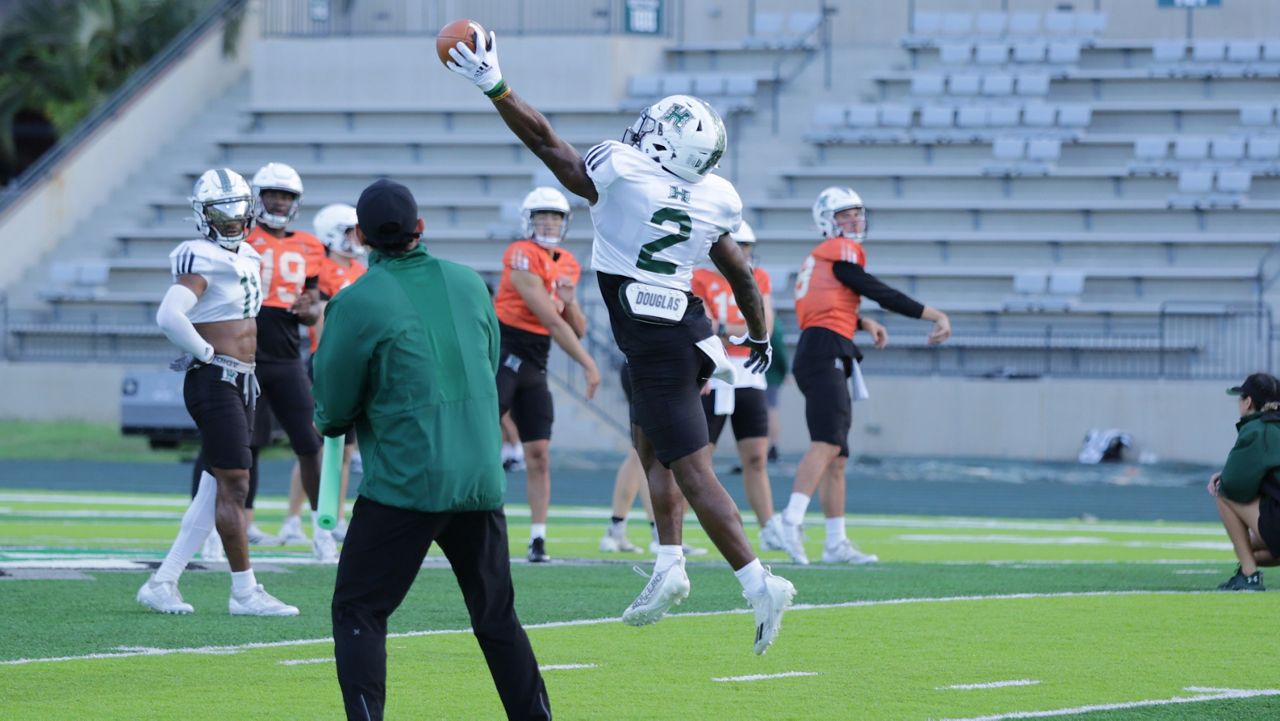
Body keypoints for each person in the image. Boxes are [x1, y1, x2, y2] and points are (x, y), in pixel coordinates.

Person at [447, 32, 795, 654]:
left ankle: (758, 582)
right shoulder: (713, 198)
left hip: (661, 344)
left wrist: (494, 86)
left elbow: (547, 143)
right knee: (651, 450)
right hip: (679, 333)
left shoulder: (625, 174)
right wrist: (761, 334)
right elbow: (739, 272)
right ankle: (669, 564)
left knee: (691, 469)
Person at [315, 179, 550, 720]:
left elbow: (331, 406)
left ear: (361, 236)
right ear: (421, 228)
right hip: (479, 478)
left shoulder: (355, 302)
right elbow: (488, 362)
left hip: (406, 483)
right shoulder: (469, 283)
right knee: (497, 618)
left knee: (359, 609)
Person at [136, 168, 298, 616]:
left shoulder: (248, 254)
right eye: (221, 215)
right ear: (202, 216)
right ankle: (245, 592)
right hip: (217, 379)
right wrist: (206, 352)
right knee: (235, 483)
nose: (231, 222)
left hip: (241, 380)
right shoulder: (199, 255)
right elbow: (170, 316)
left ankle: (163, 581)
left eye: (237, 213)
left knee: (213, 489)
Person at [777, 186, 951, 565]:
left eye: (857, 212)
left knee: (838, 454)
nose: (854, 220)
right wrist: (933, 314)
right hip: (825, 350)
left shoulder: (820, 261)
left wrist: (860, 321)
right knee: (825, 442)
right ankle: (790, 520)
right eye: (845, 214)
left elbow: (824, 303)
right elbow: (877, 291)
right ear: (828, 222)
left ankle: (835, 541)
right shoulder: (839, 253)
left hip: (825, 346)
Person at [492, 186, 601, 562]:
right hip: (504, 353)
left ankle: (537, 537)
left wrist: (571, 302)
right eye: (541, 216)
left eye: (555, 217)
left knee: (538, 453)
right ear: (528, 221)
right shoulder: (520, 254)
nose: (549, 223)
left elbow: (577, 326)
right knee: (484, 447)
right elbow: (551, 321)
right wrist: (588, 364)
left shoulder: (568, 262)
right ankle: (471, 523)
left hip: (536, 363)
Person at [243, 162, 337, 562]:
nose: (279, 202)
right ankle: (235, 524)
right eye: (272, 194)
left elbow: (315, 306)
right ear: (258, 196)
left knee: (310, 442)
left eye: (286, 196)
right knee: (244, 445)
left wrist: (310, 306)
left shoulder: (311, 246)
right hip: (244, 353)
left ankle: (322, 529)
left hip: (284, 355)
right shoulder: (243, 237)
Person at [690, 220, 785, 552]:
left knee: (757, 456)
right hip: (716, 371)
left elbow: (766, 326)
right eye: (737, 247)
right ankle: (676, 529)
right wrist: (736, 326)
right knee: (700, 459)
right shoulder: (700, 277)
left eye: (745, 248)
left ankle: (769, 526)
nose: (741, 254)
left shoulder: (759, 278)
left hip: (750, 371)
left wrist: (728, 327)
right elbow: (705, 326)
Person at [278, 203, 367, 546]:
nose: (355, 238)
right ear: (331, 233)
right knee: (313, 445)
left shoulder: (360, 270)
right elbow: (320, 316)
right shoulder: (323, 268)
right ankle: (292, 518)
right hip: (325, 360)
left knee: (344, 449)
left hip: (354, 364)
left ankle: (337, 515)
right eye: (348, 231)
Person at [599, 362, 707, 557]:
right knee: (649, 450)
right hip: (652, 369)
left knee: (638, 451)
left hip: (642, 366)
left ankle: (616, 529)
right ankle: (659, 531)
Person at [1208, 372, 1280, 592]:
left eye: (1241, 398)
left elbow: (1234, 486)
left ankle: (1249, 575)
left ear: (1248, 402)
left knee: (1222, 491)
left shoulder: (1258, 429)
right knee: (1253, 551)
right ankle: (1246, 566)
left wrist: (1224, 475)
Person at [763, 324, 789, 464]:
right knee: (771, 410)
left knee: (769, 411)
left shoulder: (773, 324)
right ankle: (771, 446)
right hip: (768, 375)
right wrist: (784, 371)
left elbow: (778, 350)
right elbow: (779, 351)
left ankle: (770, 446)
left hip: (765, 375)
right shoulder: (773, 324)